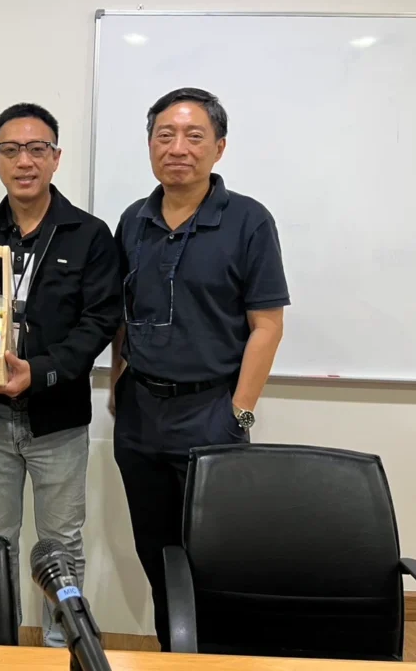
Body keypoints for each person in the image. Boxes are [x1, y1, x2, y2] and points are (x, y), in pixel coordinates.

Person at [109, 87, 289, 651]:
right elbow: (122, 313)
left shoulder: (248, 220)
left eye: (194, 136)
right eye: (165, 135)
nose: (178, 148)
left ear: (219, 147)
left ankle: (219, 659)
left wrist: (240, 412)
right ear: (150, 145)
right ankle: (173, 653)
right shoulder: (133, 220)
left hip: (212, 413)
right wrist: (117, 385)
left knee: (215, 556)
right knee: (156, 552)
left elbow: (267, 325)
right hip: (140, 416)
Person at [0, 103, 121, 647]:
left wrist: (38, 373)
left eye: (37, 149)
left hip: (57, 418)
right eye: (12, 150)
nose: (25, 161)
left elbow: (99, 321)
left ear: (56, 158)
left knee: (61, 544)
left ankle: (61, 650)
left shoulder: (90, 234)